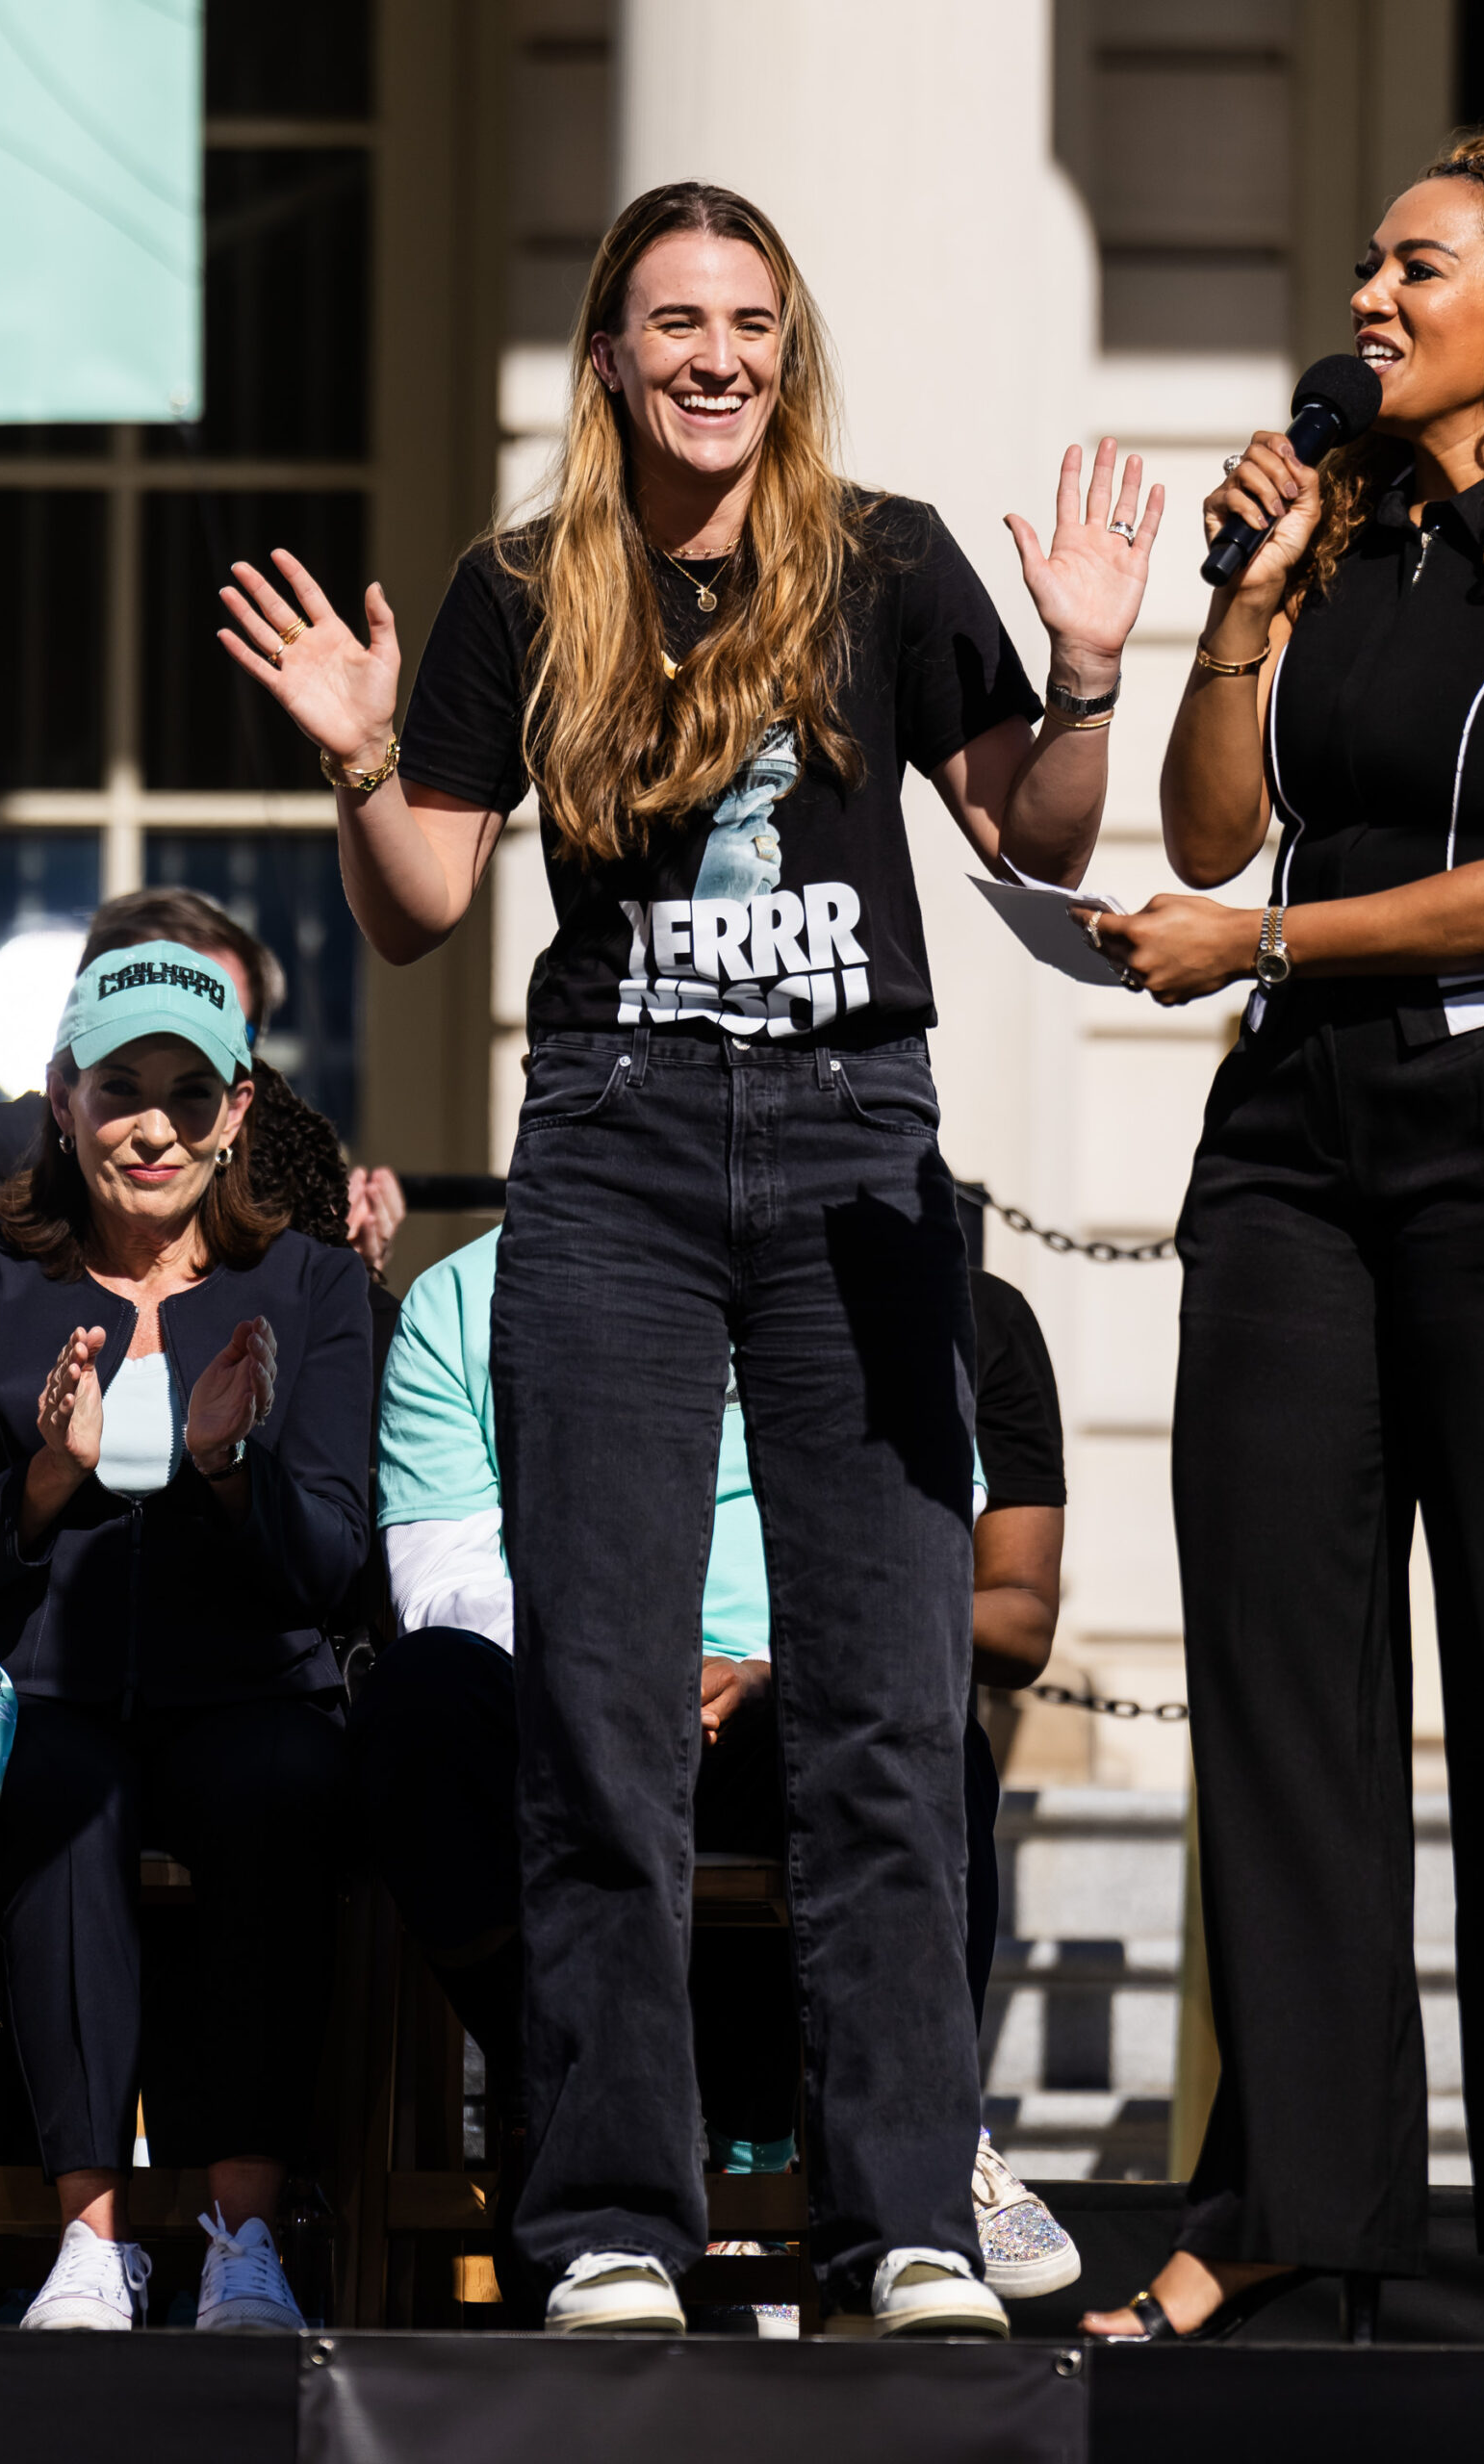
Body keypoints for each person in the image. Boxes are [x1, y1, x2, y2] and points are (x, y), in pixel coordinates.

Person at [219, 178, 1159, 2334]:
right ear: (613, 357)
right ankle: (611, 2224)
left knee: (885, 1702)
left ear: (784, 350)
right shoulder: (522, 585)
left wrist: (1091, 667)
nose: (715, 356)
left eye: (748, 321)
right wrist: (362, 760)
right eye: (674, 322)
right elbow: (418, 907)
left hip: (850, 1138)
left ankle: (902, 2212)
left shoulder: (886, 558)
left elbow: (1030, 829)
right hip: (614, 1148)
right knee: (597, 1708)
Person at [1078, 131, 1484, 2347]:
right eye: (1364, 262)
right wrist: (1238, 603)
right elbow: (1203, 827)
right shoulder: (1339, 526)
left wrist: (1265, 935)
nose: (1367, 295)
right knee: (1278, 1671)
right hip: (1285, 1141)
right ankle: (1284, 2191)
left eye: (1416, 266)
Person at [351, 1229, 1081, 2318]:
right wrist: (624, 1666)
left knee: (920, 1729)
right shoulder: (459, 1297)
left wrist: (775, 1669)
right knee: (418, 1702)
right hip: (564, 1702)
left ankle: (925, 2131)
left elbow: (937, 1579)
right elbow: (442, 1581)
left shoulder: (893, 1293)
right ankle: (593, 2091)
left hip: (790, 1697)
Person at [0, 941, 372, 2331]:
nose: (152, 1127)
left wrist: (229, 1470)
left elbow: (332, 1565)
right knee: (55, 1788)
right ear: (61, 1098)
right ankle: (90, 2245)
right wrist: (51, 1471)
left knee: (279, 1784)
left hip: (251, 1694)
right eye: (119, 1090)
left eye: (187, 1093)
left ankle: (243, 2239)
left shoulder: (311, 1283)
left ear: (236, 1112)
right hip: (45, 1694)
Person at [0, 886, 403, 1446]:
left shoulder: (293, 1197)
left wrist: (339, 1276)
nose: (156, 1131)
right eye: (141, 1005)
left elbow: (334, 1463)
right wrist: (50, 1471)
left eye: (217, 1023)